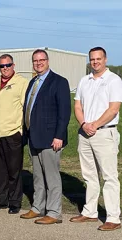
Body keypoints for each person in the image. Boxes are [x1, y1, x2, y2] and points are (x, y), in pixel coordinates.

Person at [70, 47, 122, 231]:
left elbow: (113, 109)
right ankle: (90, 212)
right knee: (89, 176)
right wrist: (84, 124)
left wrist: (95, 124)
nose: (95, 62)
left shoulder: (114, 80)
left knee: (109, 177)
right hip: (85, 133)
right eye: (92, 59)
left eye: (98, 59)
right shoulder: (85, 80)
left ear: (105, 59)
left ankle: (113, 217)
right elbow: (77, 106)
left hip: (104, 132)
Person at [20, 49, 71, 224]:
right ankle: (38, 207)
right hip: (34, 137)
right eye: (35, 60)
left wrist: (59, 136)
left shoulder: (59, 82)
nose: (38, 63)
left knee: (52, 176)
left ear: (48, 61)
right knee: (38, 176)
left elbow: (64, 112)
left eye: (41, 60)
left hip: (51, 139)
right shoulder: (33, 82)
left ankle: (54, 212)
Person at [0, 54, 28, 214]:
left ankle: (15, 202)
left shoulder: (21, 83)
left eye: (8, 65)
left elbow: (26, 108)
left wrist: (21, 130)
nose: (5, 68)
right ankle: (0, 200)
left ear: (13, 65)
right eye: (2, 66)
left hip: (12, 133)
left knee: (14, 170)